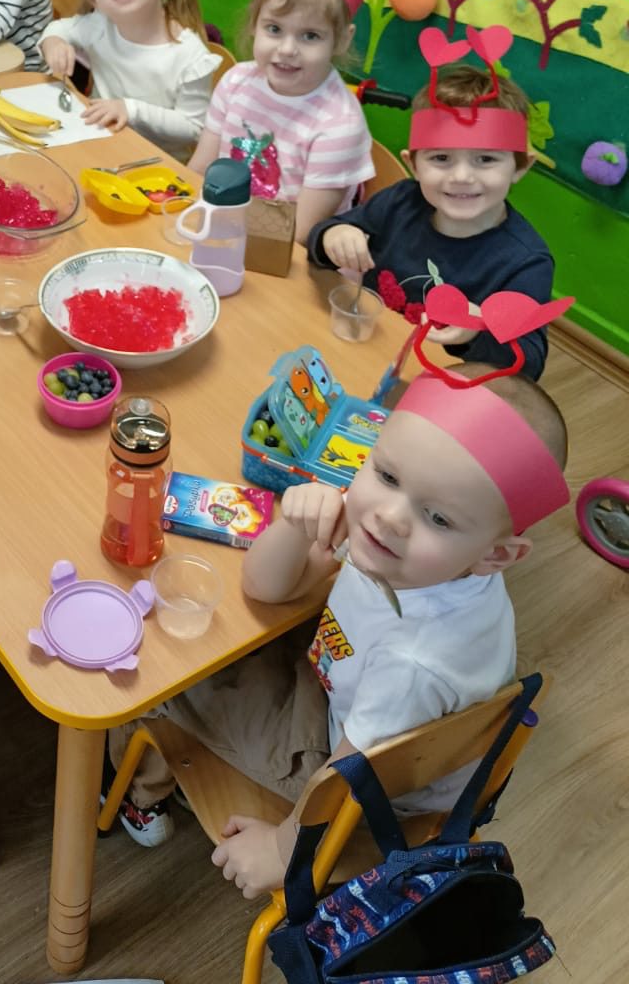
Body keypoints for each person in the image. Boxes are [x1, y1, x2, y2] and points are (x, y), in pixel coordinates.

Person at [108, 337, 570, 895]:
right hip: (346, 691)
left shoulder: (414, 662)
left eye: (439, 519)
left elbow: (349, 777)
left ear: (497, 555)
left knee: (163, 673)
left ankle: (139, 796)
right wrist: (293, 521)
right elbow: (266, 588)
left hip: (348, 769)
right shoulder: (411, 547)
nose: (389, 516)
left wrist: (283, 852)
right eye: (388, 475)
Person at [307, 33, 552, 378]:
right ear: (413, 164)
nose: (462, 176)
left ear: (520, 167)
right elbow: (320, 240)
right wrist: (334, 236)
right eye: (441, 158)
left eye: (485, 159)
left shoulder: (525, 262)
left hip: (445, 388)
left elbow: (529, 365)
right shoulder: (400, 201)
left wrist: (480, 329)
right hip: (368, 357)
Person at [187, 0, 375, 243]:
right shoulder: (235, 82)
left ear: (342, 39)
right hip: (221, 233)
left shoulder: (339, 124)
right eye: (274, 29)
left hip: (287, 255)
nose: (287, 49)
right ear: (254, 24)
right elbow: (199, 172)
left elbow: (299, 233)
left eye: (310, 36)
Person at [39, 0, 221, 159]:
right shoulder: (99, 25)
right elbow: (59, 28)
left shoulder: (190, 55)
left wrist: (131, 110)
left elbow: (193, 128)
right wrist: (53, 42)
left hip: (159, 166)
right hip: (100, 146)